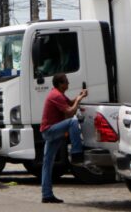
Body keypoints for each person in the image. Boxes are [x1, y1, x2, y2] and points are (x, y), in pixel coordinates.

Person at [39, 73, 88, 204]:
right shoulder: (56, 95)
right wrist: (78, 100)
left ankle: (47, 195)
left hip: (49, 130)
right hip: (49, 131)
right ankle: (77, 153)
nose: (68, 84)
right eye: (66, 82)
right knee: (72, 122)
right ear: (60, 84)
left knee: (47, 163)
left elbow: (70, 103)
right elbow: (71, 112)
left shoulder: (58, 94)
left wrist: (80, 96)